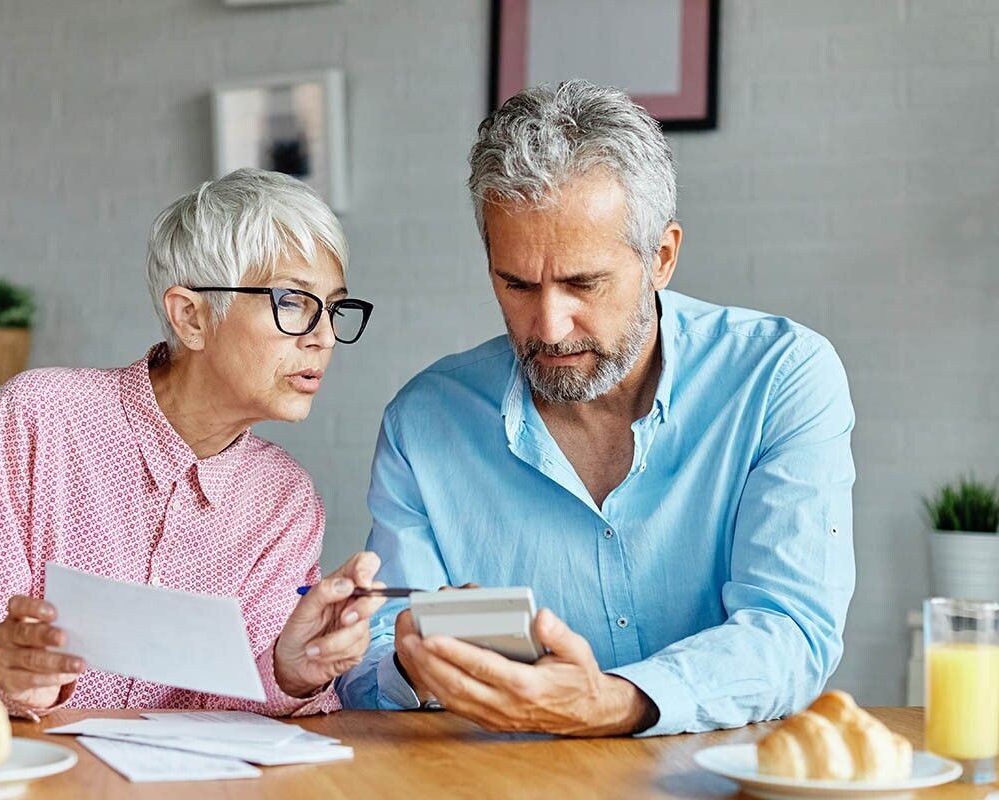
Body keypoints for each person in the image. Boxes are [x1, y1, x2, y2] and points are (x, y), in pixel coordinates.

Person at [337, 81, 856, 737]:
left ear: (661, 257)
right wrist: (413, 663)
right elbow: (371, 668)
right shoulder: (423, 423)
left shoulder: (780, 376)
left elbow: (791, 629)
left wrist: (613, 702)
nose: (549, 327)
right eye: (516, 283)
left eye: (583, 283)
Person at [0, 168, 385, 719]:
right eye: (293, 302)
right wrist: (6, 675)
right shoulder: (40, 416)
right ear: (191, 317)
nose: (323, 337)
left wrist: (289, 671)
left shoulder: (286, 500)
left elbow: (236, 704)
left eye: (335, 308)